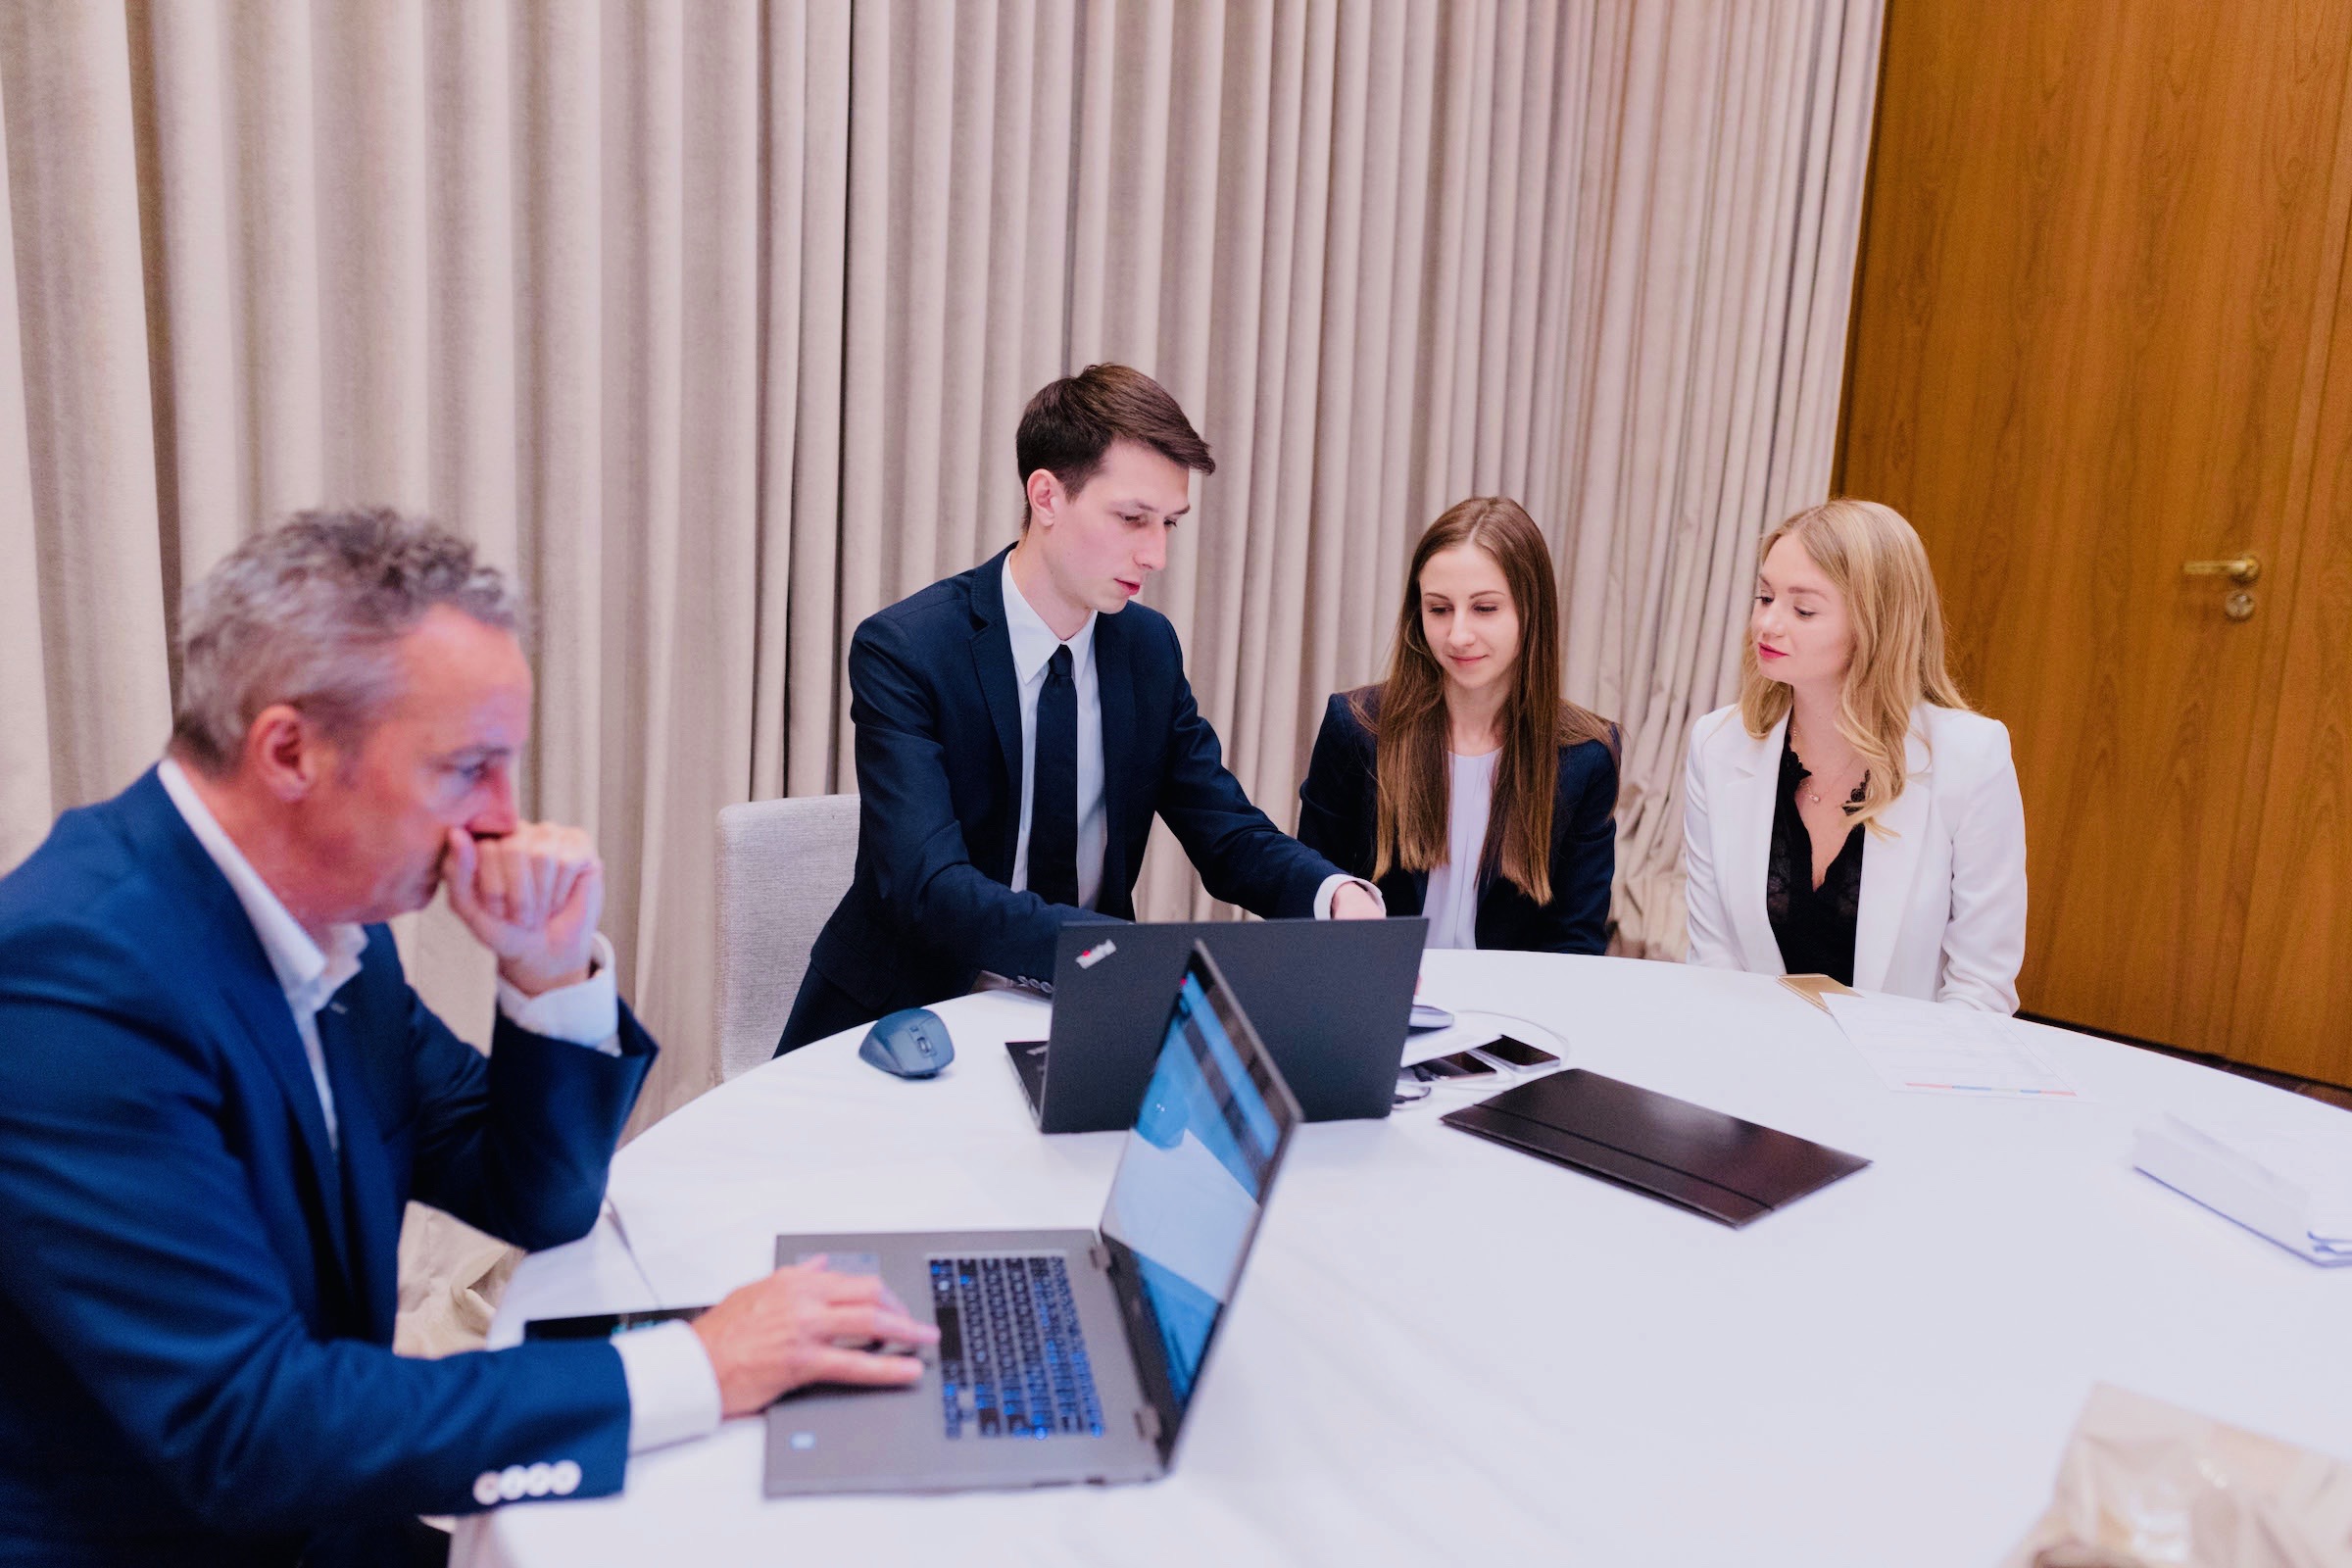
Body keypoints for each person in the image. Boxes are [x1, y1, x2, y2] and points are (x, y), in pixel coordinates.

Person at [0, 512, 935, 1567]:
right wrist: (697, 1367)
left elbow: (533, 1200)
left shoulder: (334, 928)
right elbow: (247, 1427)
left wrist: (547, 973)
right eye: (468, 768)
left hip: (331, 1509)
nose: (502, 820)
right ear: (290, 751)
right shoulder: (69, 984)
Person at [779, 364, 1381, 1054]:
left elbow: (1226, 832)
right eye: (1132, 519)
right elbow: (929, 888)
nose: (1156, 555)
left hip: (1089, 1014)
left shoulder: (1147, 650)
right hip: (913, 1018)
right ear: (1047, 496)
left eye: (1169, 524)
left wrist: (1333, 894)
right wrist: (1121, 954)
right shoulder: (909, 650)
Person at [1682, 498, 2027, 1010]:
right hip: (1754, 1046)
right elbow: (1715, 961)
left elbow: (1980, 988)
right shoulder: (1716, 743)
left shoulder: (1972, 757)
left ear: (1875, 623)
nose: (1767, 624)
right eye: (1764, 597)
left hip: (1907, 1055)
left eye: (1803, 610)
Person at [1298, 497, 1620, 954]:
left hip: (1513, 997)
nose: (1458, 636)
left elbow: (1576, 943)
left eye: (1484, 608)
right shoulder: (1355, 729)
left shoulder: (1587, 755)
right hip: (1375, 987)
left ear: (1532, 611)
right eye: (1439, 609)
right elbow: (1311, 898)